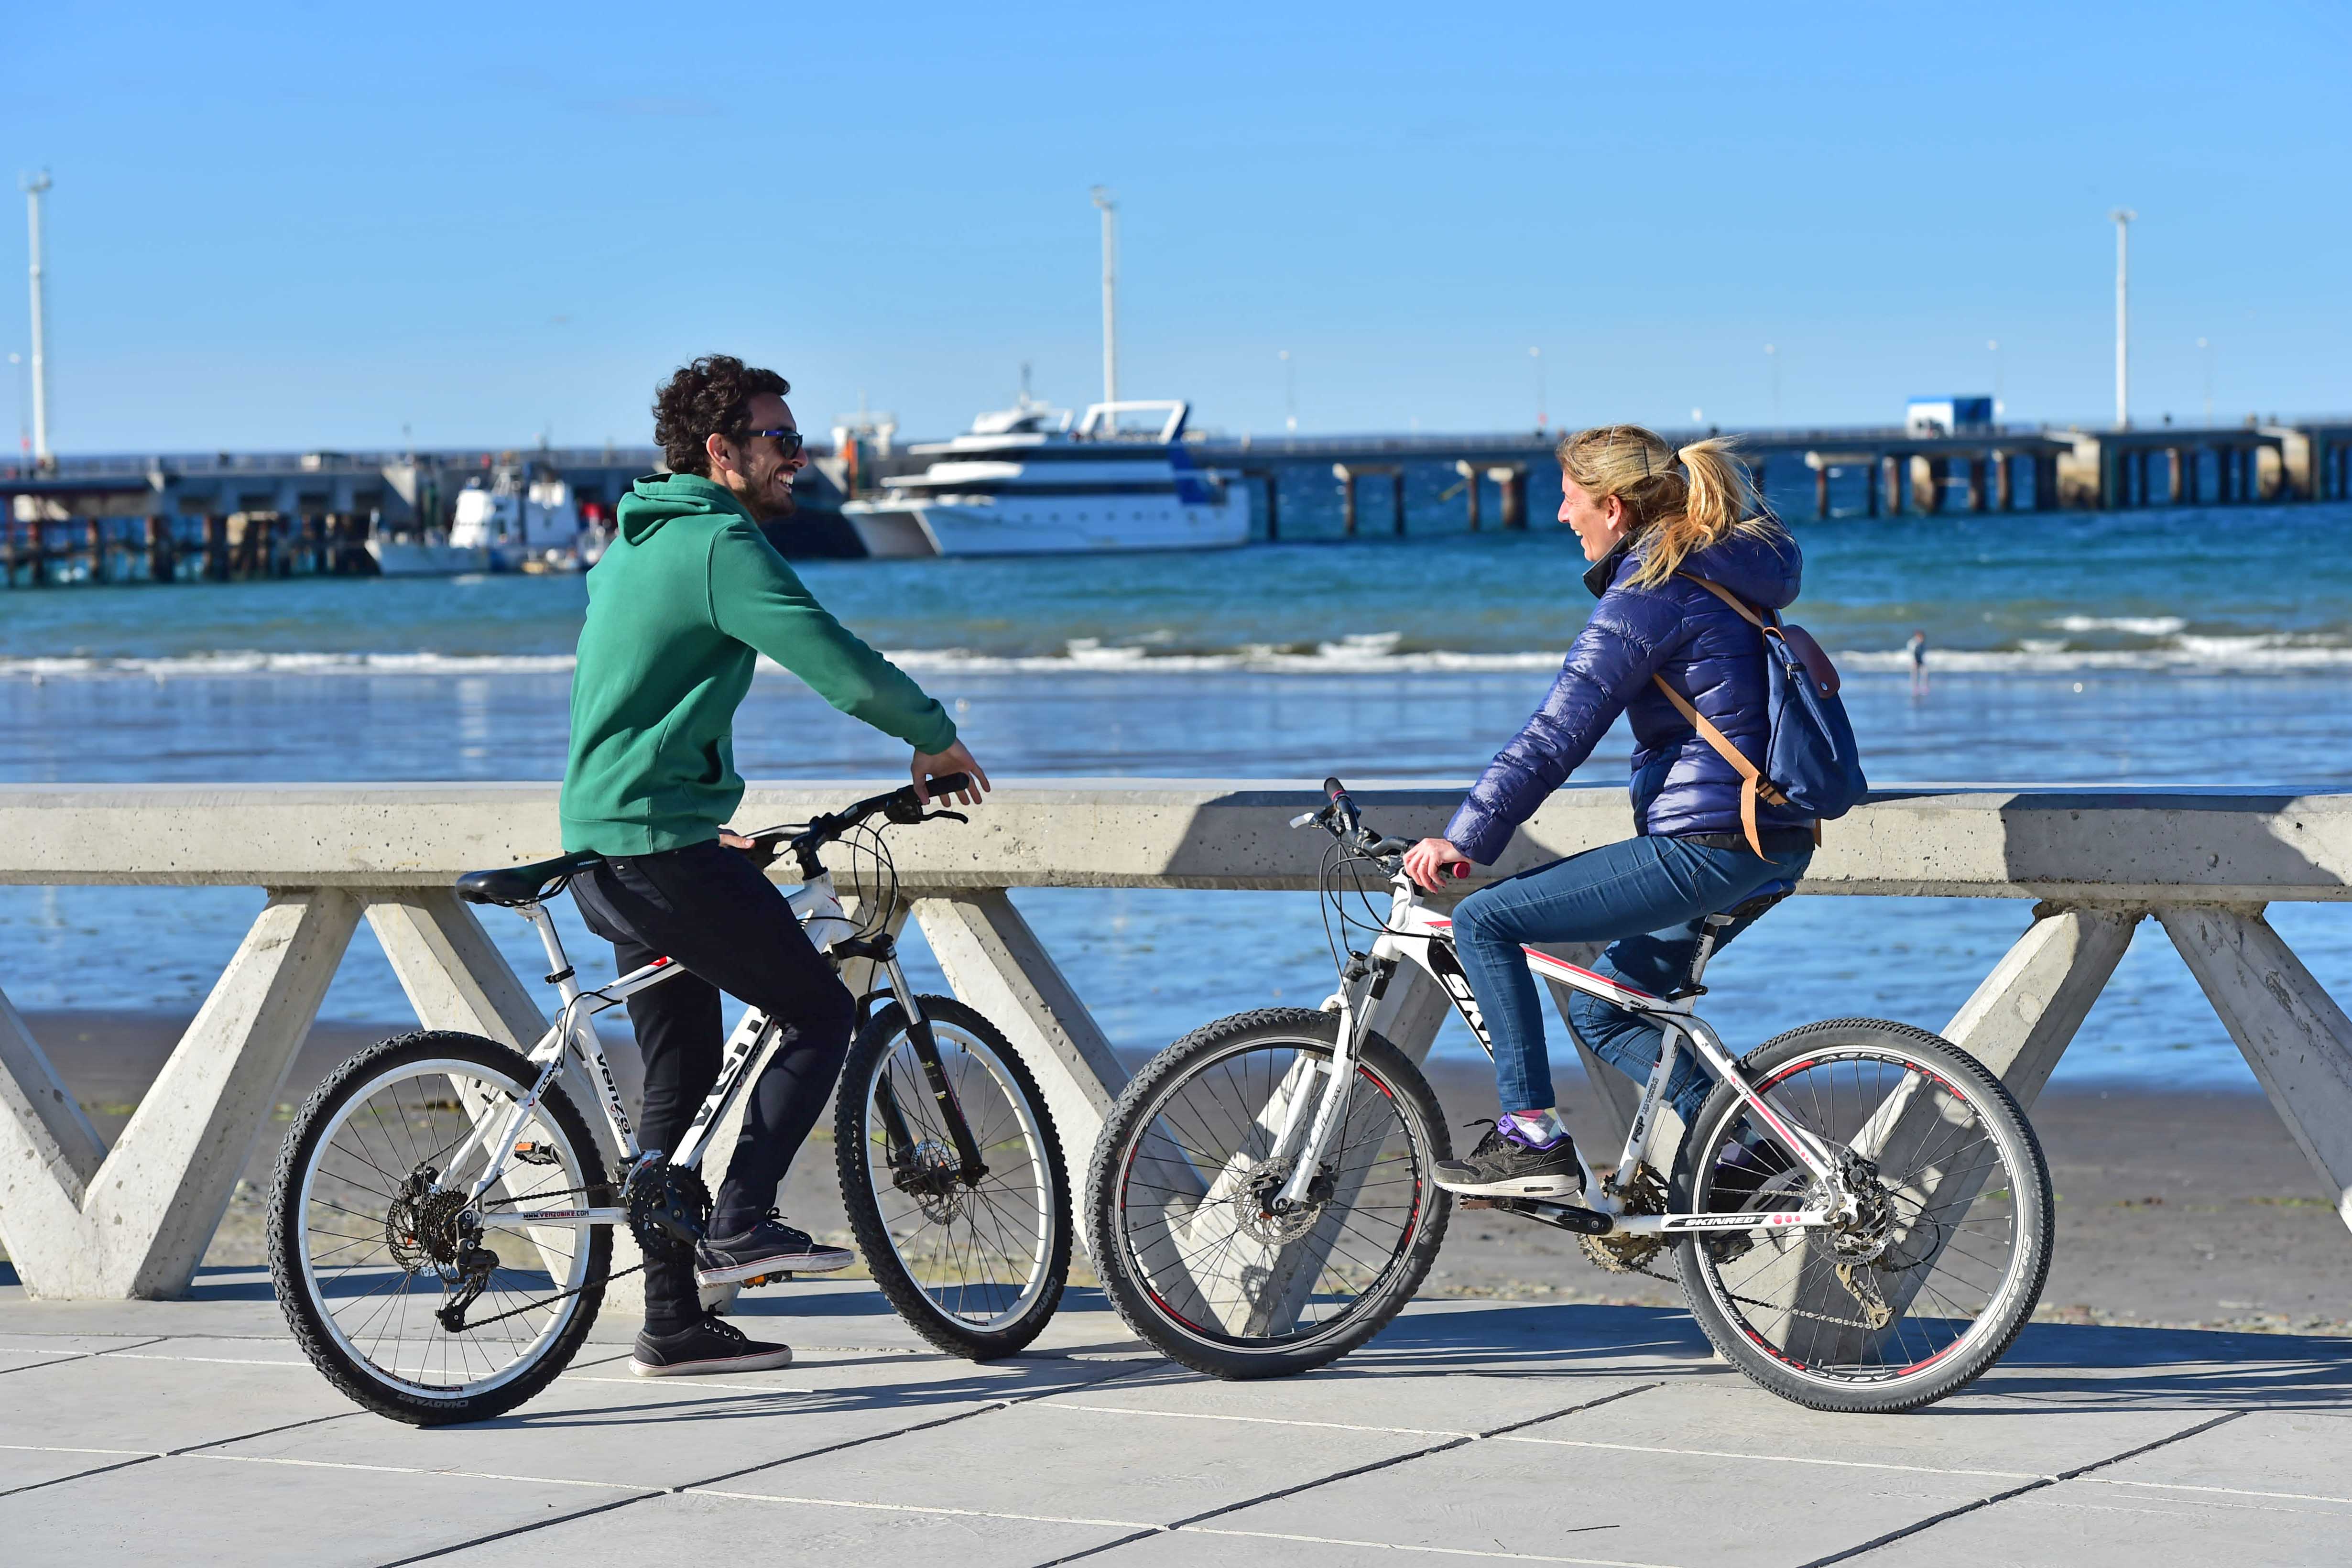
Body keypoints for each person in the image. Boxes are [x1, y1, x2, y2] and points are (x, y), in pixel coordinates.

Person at [559, 354, 988, 1377]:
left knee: (680, 1078)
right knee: (821, 1010)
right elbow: (829, 655)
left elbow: (637, 707)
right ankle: (742, 1219)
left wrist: (709, 821)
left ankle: (672, 1320)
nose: (801, 456)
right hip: (657, 843)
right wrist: (932, 734)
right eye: (782, 439)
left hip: (612, 835)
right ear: (723, 452)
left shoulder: (638, 539)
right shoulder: (715, 540)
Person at [1403, 424, 1813, 1200]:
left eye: (1570, 499)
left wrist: (1465, 840)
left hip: (1711, 842)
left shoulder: (1651, 592)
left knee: (1485, 921)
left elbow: (1558, 733)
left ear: (1614, 508)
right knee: (1610, 1015)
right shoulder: (1721, 576)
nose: (1562, 516)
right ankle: (1751, 1159)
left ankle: (1530, 1138)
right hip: (1776, 837)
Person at [1907, 628, 1928, 695]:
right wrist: (1914, 661)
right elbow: (1912, 652)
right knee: (1915, 674)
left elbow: (1923, 653)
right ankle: (1915, 688)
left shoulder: (1922, 643)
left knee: (1925, 673)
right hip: (1914, 660)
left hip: (1920, 660)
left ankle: (1924, 686)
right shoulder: (1912, 643)